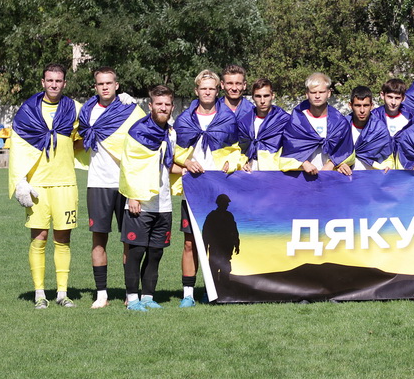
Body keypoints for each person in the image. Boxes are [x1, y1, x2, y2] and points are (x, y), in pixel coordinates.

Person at [9, 64, 82, 308]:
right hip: (37, 185)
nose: (54, 84)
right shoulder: (28, 110)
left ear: (64, 83)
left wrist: (120, 103)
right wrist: (20, 181)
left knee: (63, 238)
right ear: (42, 82)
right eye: (50, 80)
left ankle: (62, 293)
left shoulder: (74, 108)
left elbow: (88, 131)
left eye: (58, 80)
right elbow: (18, 146)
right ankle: (39, 293)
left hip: (66, 184)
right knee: (39, 238)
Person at [76, 67, 145, 308]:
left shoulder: (131, 110)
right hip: (98, 184)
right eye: (100, 84)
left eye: (109, 83)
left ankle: (130, 294)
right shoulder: (86, 112)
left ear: (117, 85)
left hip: (126, 184)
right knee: (98, 240)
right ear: (95, 87)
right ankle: (101, 294)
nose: (104, 87)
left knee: (130, 241)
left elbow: (147, 135)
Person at [173, 70, 243, 307]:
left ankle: (212, 289)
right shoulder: (184, 120)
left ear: (217, 90)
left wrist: (231, 162)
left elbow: (236, 151)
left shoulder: (228, 119)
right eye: (203, 88)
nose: (207, 92)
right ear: (196, 91)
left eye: (212, 88)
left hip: (217, 189)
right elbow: (174, 151)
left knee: (218, 243)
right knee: (190, 242)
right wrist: (185, 162)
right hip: (193, 189)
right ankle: (188, 294)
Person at [120, 85, 181, 311]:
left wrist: (190, 170)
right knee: (136, 252)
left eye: (167, 104)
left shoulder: (171, 133)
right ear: (150, 105)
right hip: (140, 202)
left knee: (156, 253)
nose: (163, 108)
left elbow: (168, 164)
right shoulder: (137, 131)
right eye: (159, 104)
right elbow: (128, 166)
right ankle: (132, 299)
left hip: (163, 204)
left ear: (172, 107)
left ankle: (147, 297)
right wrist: (133, 196)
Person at [280, 72, 355, 176]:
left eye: (321, 92)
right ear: (307, 94)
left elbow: (347, 151)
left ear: (329, 93)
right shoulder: (296, 122)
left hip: (330, 178)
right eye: (313, 92)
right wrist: (303, 163)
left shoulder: (340, 123)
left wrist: (333, 164)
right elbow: (288, 151)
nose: (317, 96)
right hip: (302, 178)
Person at [237, 77, 289, 171]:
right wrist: (243, 163)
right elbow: (240, 149)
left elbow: (292, 148)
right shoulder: (244, 121)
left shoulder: (284, 120)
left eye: (266, 96)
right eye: (258, 96)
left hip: (274, 172)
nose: (262, 101)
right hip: (250, 172)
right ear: (253, 97)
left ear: (273, 96)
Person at [347, 86, 393, 170]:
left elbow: (388, 156)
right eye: (357, 105)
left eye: (366, 105)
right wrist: (340, 164)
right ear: (350, 105)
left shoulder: (380, 130)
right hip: (344, 175)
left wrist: (387, 167)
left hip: (371, 175)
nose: (362, 110)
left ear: (372, 106)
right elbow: (334, 154)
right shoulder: (341, 128)